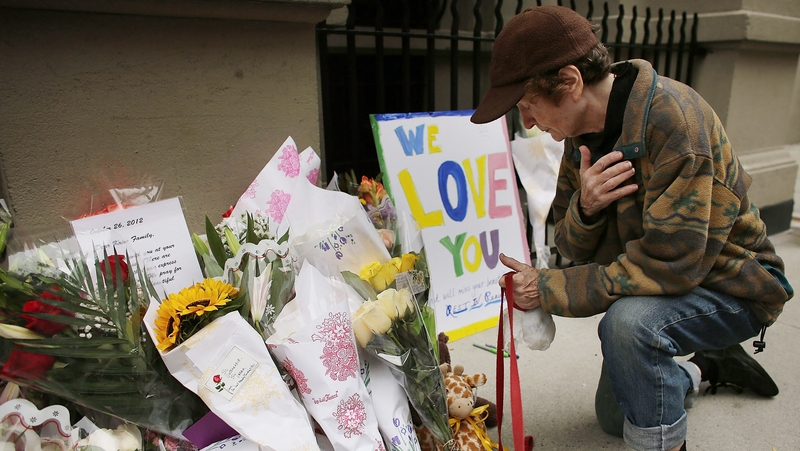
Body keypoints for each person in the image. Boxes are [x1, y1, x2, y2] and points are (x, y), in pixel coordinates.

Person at [470, 6, 793, 451]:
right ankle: (706, 367)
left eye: (528, 105)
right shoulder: (581, 132)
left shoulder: (676, 122)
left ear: (570, 81)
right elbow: (567, 242)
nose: (526, 122)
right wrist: (587, 206)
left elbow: (670, 267)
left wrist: (549, 288)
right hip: (666, 281)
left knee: (627, 328)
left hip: (734, 285)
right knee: (612, 417)